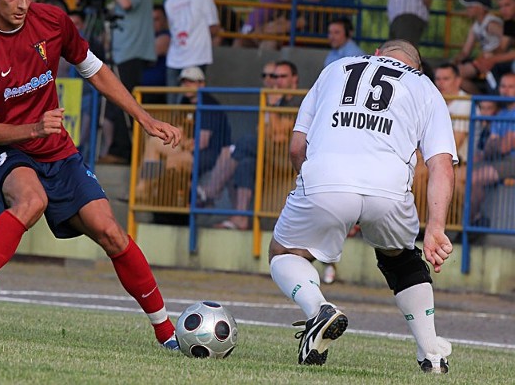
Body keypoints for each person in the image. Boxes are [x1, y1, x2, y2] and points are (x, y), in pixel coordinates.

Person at [0, 0, 182, 352]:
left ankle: (167, 333)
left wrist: (144, 118)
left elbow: (97, 71)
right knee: (31, 200)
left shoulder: (52, 21)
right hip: (5, 148)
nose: (23, 4)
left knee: (112, 233)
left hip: (57, 149)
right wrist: (34, 127)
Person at [269, 40, 456, 373]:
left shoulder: (335, 69)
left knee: (285, 251)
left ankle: (318, 310)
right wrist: (436, 227)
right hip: (389, 188)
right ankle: (431, 352)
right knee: (400, 259)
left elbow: (298, 147)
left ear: (377, 55)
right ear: (416, 67)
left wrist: (324, 194)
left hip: (327, 176)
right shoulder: (424, 87)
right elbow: (441, 164)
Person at [201, 60, 301, 231]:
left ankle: (211, 191)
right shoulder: (273, 99)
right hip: (269, 157)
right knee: (245, 164)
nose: (277, 81)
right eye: (274, 77)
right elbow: (263, 131)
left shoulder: (299, 101)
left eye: (283, 77)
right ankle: (240, 218)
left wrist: (270, 106)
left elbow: (278, 137)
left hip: (287, 160)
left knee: (247, 141)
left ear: (294, 79)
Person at [98, 0, 156, 164]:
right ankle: (114, 149)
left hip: (131, 54)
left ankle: (122, 151)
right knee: (114, 102)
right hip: (120, 53)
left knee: (123, 100)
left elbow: (127, 3)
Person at [163, 0, 219, 103]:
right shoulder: (169, 2)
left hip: (197, 56)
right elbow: (173, 29)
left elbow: (214, 26)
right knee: (172, 101)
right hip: (175, 58)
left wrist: (201, 43)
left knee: (192, 100)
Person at [469, 73, 515, 225]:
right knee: (461, 174)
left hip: (511, 161)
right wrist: (498, 144)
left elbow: (503, 147)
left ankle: (470, 223)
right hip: (497, 159)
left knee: (475, 178)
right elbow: (491, 147)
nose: (506, 90)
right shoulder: (501, 113)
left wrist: (497, 143)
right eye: (503, 86)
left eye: (511, 87)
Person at [454, 0, 503, 93]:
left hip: (493, 60)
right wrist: (454, 61)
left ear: (481, 8)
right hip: (483, 59)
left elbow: (507, 43)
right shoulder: (476, 26)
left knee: (456, 74)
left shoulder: (492, 24)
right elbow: (465, 52)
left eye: (471, 6)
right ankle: (480, 101)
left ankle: (482, 100)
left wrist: (492, 54)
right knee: (456, 76)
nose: (467, 9)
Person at [473, 0, 515, 92]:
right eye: (500, 6)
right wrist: (485, 57)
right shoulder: (509, 22)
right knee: (491, 67)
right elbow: (502, 48)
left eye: (507, 5)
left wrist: (491, 59)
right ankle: (494, 102)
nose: (503, 10)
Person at [434, 63, 472, 162]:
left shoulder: (465, 102)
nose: (441, 83)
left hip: (463, 161)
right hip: (440, 156)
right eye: (438, 79)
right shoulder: (434, 101)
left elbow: (456, 142)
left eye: (446, 79)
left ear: (458, 81)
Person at [141, 5, 171, 104]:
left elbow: (146, 53)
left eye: (156, 19)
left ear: (165, 20)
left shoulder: (166, 36)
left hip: (156, 90)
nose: (152, 23)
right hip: (140, 87)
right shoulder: (146, 37)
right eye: (150, 19)